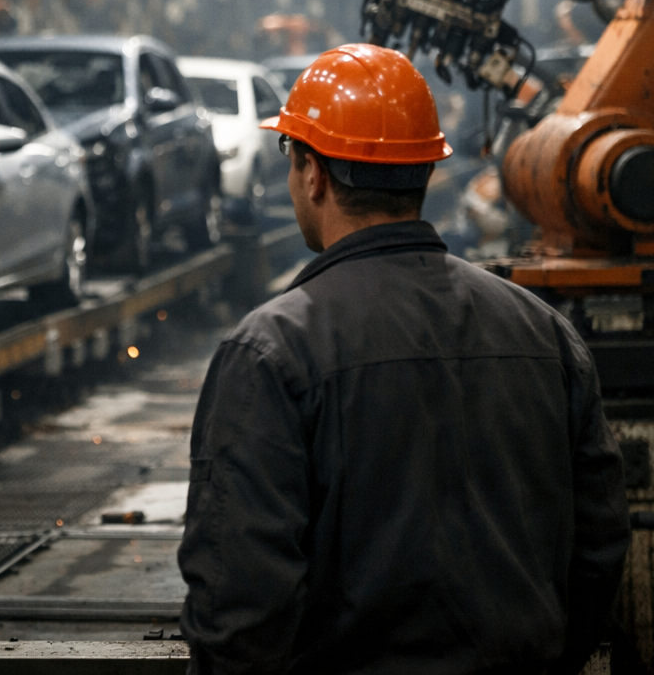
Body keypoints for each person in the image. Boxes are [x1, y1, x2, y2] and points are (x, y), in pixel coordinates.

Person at [178, 43, 630, 674]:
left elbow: (239, 613)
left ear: (312, 174)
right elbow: (600, 552)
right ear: (424, 173)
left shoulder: (271, 354)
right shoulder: (546, 335)